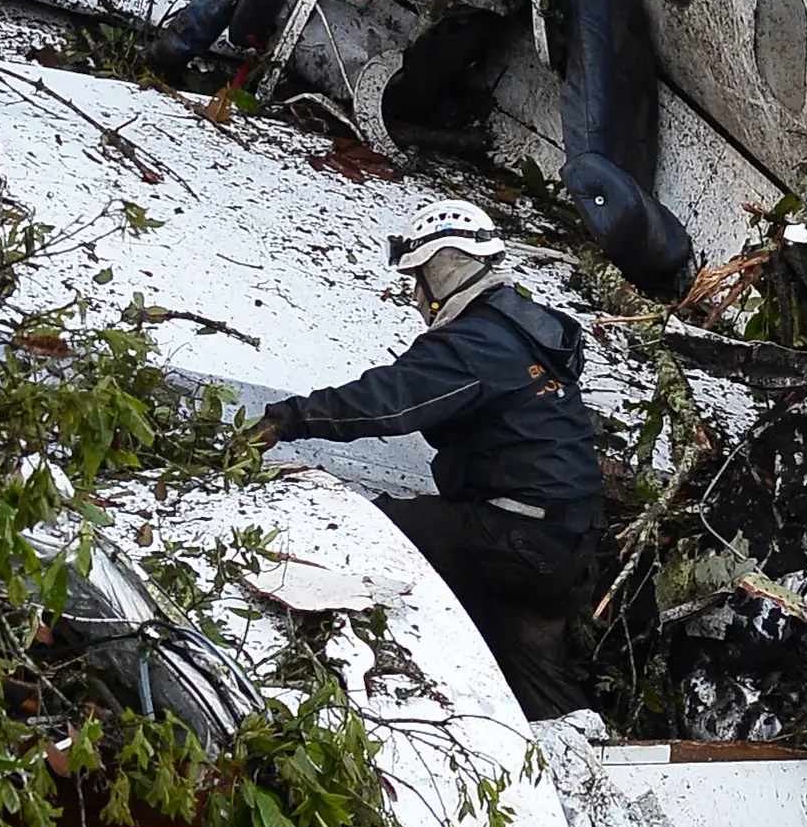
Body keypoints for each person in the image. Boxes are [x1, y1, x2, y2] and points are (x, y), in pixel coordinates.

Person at [254, 201, 602, 719]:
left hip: (513, 534)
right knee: (535, 677)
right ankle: (584, 748)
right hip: (567, 543)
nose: (416, 297)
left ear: (441, 270)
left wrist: (286, 421)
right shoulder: (525, 333)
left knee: (370, 525)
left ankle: (339, 674)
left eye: (418, 280)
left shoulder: (477, 342)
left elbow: (389, 401)